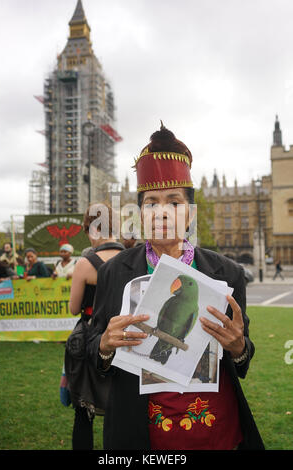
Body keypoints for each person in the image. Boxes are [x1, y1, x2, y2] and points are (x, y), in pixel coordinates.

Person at [87, 124, 264, 450]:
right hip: (142, 430)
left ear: (189, 213)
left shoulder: (226, 273)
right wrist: (104, 345)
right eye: (151, 203)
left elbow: (243, 357)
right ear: (141, 212)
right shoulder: (114, 271)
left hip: (215, 428)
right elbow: (92, 349)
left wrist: (239, 348)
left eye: (174, 202)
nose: (162, 212)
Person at [68, 201, 125, 451]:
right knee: (124, 412)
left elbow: (73, 308)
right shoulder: (131, 259)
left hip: (91, 341)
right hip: (125, 341)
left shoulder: (85, 263)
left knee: (84, 411)